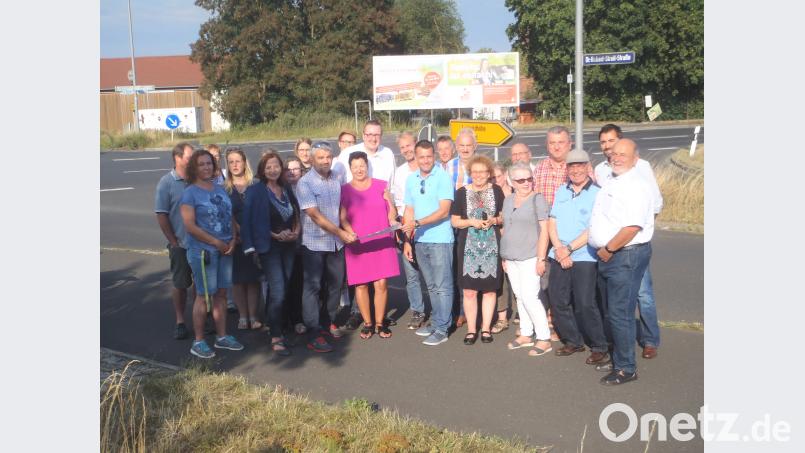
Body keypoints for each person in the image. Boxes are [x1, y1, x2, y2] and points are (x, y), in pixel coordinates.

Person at [588, 139, 654, 386]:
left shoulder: (636, 185)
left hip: (624, 254)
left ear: (635, 158)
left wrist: (608, 249)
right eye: (614, 153)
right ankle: (619, 358)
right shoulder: (614, 180)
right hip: (612, 255)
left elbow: (633, 226)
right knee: (611, 311)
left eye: (623, 154)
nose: (616, 157)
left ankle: (627, 368)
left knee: (620, 313)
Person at [594, 124, 663, 359]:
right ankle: (621, 355)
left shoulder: (638, 173)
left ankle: (648, 341)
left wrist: (613, 246)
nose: (610, 149)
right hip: (612, 249)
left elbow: (643, 213)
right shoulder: (604, 171)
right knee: (616, 308)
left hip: (627, 249)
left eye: (613, 143)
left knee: (638, 298)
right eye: (604, 143)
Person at [547, 149, 609, 365]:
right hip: (558, 253)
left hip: (584, 256)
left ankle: (600, 345)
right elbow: (552, 221)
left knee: (585, 303)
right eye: (572, 166)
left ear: (588, 167)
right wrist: (558, 248)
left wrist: (569, 248)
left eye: (580, 166)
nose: (576, 170)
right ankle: (573, 340)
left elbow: (593, 227)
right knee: (557, 300)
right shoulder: (561, 191)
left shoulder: (598, 193)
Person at [179, 150, 243, 359]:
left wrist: (233, 237)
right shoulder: (190, 193)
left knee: (222, 294)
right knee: (203, 296)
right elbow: (189, 225)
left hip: (226, 249)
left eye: (209, 163)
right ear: (193, 168)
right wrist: (216, 242)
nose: (206, 167)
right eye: (201, 164)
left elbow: (229, 215)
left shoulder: (220, 188)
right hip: (204, 251)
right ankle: (198, 341)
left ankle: (222, 336)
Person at [296, 141, 357, 352]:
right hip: (314, 244)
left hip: (336, 245)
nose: (325, 161)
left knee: (336, 284)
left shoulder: (336, 178)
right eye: (320, 157)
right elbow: (315, 216)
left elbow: (340, 208)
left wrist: (346, 228)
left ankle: (326, 322)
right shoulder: (305, 183)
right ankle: (313, 333)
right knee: (312, 288)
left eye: (328, 157)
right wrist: (341, 233)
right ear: (312, 159)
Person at [243, 151, 301, 356]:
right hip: (269, 246)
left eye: (276, 166)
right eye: (268, 167)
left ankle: (274, 326)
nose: (273, 170)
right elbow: (249, 221)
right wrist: (274, 235)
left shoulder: (285, 188)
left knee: (283, 287)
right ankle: (276, 336)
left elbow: (296, 212)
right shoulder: (255, 191)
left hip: (288, 246)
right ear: (262, 170)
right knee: (278, 289)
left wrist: (295, 232)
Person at [340, 152, 401, 339]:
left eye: (362, 165)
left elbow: (392, 210)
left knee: (381, 283)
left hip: (381, 240)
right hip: (358, 242)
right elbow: (342, 217)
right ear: (350, 168)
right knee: (361, 285)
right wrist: (349, 232)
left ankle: (380, 323)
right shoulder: (344, 189)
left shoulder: (381, 186)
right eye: (355, 166)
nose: (359, 169)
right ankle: (367, 323)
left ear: (367, 166)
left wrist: (392, 218)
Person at [401, 140, 455, 346]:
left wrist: (418, 223)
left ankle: (443, 328)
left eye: (429, 156)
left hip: (440, 240)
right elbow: (409, 210)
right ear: (415, 157)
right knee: (431, 286)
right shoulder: (411, 179)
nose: (425, 160)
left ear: (434, 156)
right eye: (421, 156)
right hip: (420, 240)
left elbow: (444, 210)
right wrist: (407, 240)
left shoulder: (442, 177)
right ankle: (437, 322)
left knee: (442, 286)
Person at [499, 162, 552, 356]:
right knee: (520, 296)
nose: (526, 183)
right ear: (512, 182)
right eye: (521, 180)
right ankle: (526, 334)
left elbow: (545, 230)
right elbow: (506, 227)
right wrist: (504, 256)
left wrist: (541, 258)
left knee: (531, 297)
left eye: (529, 179)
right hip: (511, 256)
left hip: (530, 256)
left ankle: (544, 337)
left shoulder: (537, 199)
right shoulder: (508, 200)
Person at [451, 155, 505, 345]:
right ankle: (472, 329)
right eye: (475, 172)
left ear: (489, 173)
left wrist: (494, 221)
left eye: (483, 172)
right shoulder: (461, 193)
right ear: (470, 173)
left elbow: (503, 217)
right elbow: (455, 221)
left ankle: (486, 329)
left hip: (492, 246)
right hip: (468, 248)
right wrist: (471, 222)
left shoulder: (497, 191)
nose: (479, 175)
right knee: (470, 291)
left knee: (490, 291)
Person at [155, 142, 195, 339]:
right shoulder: (166, 182)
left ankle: (201, 319)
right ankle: (180, 321)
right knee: (180, 284)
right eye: (190, 157)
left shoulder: (197, 179)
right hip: (180, 244)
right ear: (178, 158)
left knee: (201, 284)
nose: (193, 160)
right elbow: (161, 214)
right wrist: (173, 241)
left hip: (200, 243)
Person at [390, 132, 428, 330]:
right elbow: (397, 203)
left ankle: (439, 310)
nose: (406, 150)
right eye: (402, 147)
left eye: (409, 145)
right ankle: (417, 310)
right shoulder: (399, 172)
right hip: (407, 227)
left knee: (431, 273)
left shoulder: (429, 168)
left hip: (428, 227)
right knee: (411, 274)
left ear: (416, 144)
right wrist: (402, 227)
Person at [224, 147, 262, 331]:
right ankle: (243, 316)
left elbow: (261, 211)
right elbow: (224, 213)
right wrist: (236, 231)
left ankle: (254, 315)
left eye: (238, 161)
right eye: (231, 162)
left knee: (253, 279)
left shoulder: (255, 184)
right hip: (235, 240)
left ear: (244, 162)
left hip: (254, 239)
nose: (235, 165)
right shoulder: (224, 188)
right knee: (238, 280)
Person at [281, 156, 306, 335]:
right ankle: (284, 320)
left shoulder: (307, 187)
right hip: (286, 243)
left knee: (303, 284)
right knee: (286, 284)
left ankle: (299, 318)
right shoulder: (280, 190)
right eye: (288, 169)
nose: (292, 172)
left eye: (296, 169)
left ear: (302, 171)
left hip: (307, 243)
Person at [335, 119, 396, 183]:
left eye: (377, 135)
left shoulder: (387, 154)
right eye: (369, 134)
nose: (373, 139)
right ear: (363, 136)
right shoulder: (346, 154)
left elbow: (393, 183)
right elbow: (335, 181)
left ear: (381, 136)